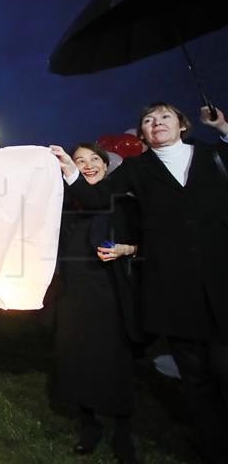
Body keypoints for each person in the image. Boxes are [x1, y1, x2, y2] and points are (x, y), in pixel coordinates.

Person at [51, 104, 228, 463]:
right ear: (142, 134)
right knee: (194, 379)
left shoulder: (212, 155)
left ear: (182, 124)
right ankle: (215, 448)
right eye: (148, 120)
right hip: (174, 291)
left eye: (164, 116)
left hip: (220, 283)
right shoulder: (137, 169)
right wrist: (70, 172)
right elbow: (99, 196)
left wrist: (224, 127)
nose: (156, 123)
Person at [52, 142, 142, 463]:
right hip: (74, 293)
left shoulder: (122, 201)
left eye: (94, 160)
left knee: (115, 360)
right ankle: (89, 425)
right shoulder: (66, 204)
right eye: (80, 161)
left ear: (106, 166)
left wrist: (126, 249)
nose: (88, 165)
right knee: (79, 357)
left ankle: (122, 431)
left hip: (110, 290)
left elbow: (146, 241)